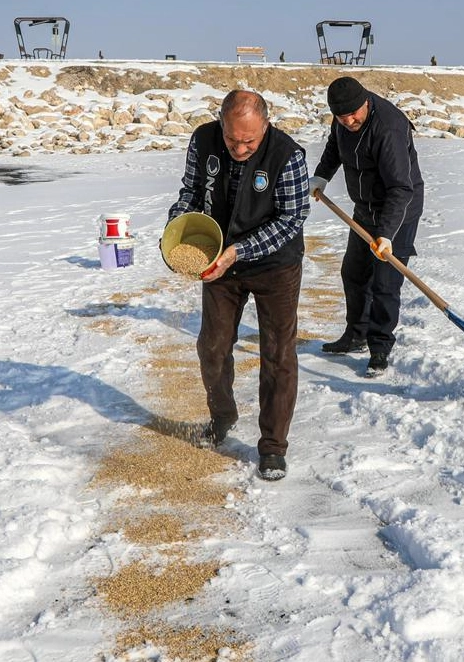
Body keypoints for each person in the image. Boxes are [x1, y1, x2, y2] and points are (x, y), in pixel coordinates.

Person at [165, 90, 310, 480]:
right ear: (221, 124)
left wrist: (239, 250)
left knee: (277, 354)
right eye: (232, 139)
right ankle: (222, 416)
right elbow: (191, 193)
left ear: (265, 124)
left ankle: (273, 447)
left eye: (250, 140)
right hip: (218, 261)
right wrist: (178, 229)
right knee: (212, 345)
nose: (240, 147)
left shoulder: (288, 155)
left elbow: (292, 218)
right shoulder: (203, 140)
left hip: (274, 265)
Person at [310, 76, 425, 377]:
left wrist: (386, 234)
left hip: (398, 208)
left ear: (366, 102)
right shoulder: (343, 120)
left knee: (385, 282)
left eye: (353, 115)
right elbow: (335, 146)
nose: (349, 121)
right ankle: (356, 334)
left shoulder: (388, 128)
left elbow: (400, 189)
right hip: (365, 207)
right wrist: (322, 175)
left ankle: (379, 347)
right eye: (341, 116)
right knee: (354, 271)